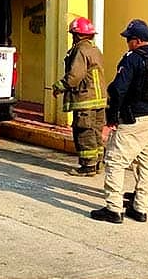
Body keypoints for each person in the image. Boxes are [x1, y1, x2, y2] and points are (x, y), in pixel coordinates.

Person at [91, 19, 148, 224]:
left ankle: (114, 209)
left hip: (134, 119)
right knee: (146, 163)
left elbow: (118, 89)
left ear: (136, 41)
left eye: (129, 39)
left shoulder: (133, 58)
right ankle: (140, 208)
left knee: (115, 162)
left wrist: (113, 116)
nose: (127, 43)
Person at [54, 16, 106, 177]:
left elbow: (76, 75)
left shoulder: (80, 50)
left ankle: (88, 166)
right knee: (95, 132)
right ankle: (97, 163)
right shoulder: (94, 49)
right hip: (99, 100)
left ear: (77, 35)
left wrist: (60, 86)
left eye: (73, 34)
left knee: (84, 132)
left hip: (85, 99)